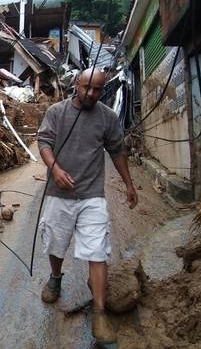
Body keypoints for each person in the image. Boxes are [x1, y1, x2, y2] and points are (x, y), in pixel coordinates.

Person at [37, 68, 138, 345]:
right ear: (76, 86)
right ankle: (56, 277)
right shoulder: (57, 112)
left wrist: (129, 184)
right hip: (59, 193)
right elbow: (44, 142)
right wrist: (55, 169)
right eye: (87, 88)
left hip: (92, 195)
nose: (92, 94)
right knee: (56, 243)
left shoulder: (107, 117)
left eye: (97, 90)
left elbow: (117, 150)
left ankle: (100, 312)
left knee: (97, 251)